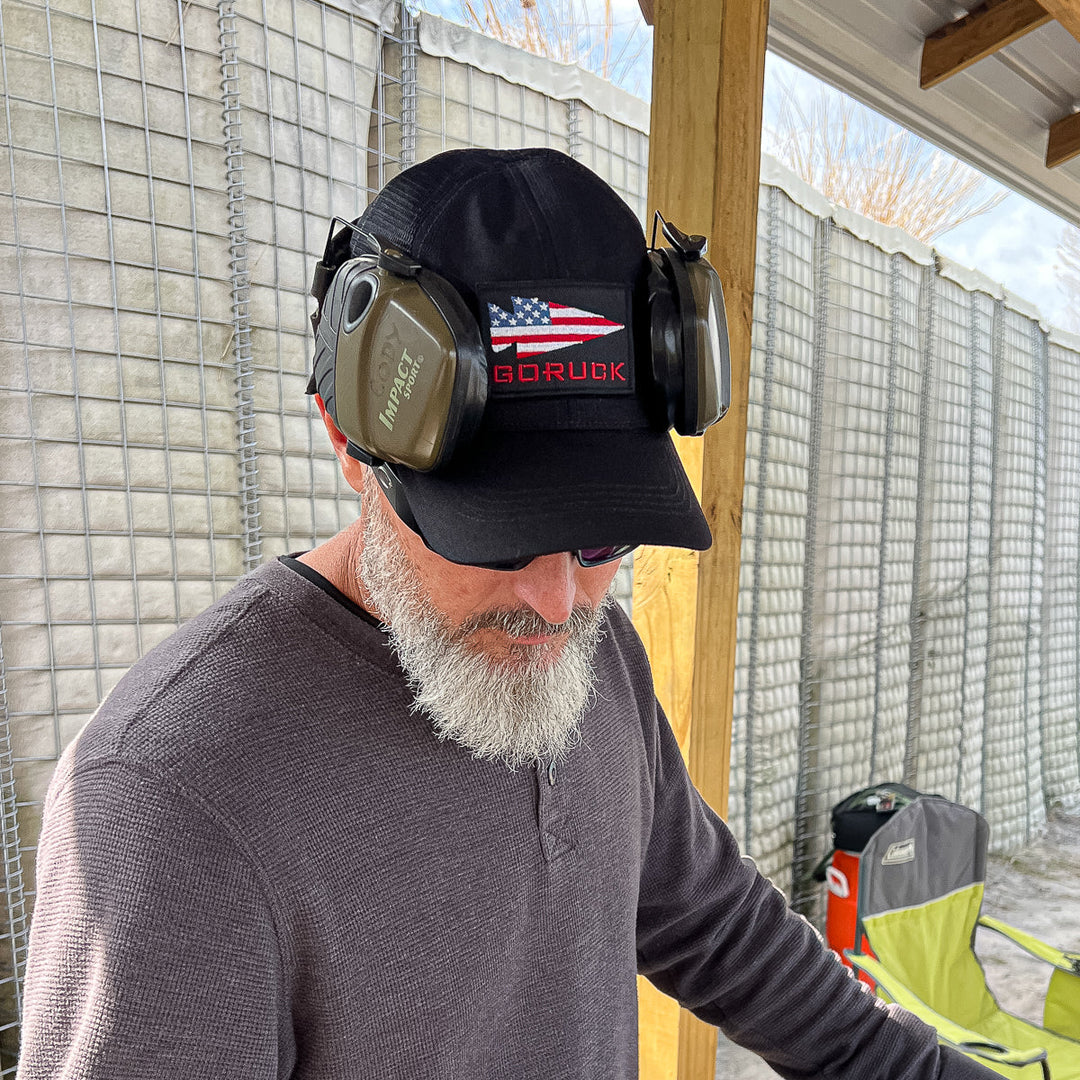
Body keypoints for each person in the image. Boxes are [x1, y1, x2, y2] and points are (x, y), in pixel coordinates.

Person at [18, 148, 996, 1079]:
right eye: (500, 536)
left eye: (603, 541)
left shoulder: (597, 659)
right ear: (350, 442)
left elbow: (736, 945)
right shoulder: (174, 797)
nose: (558, 601)